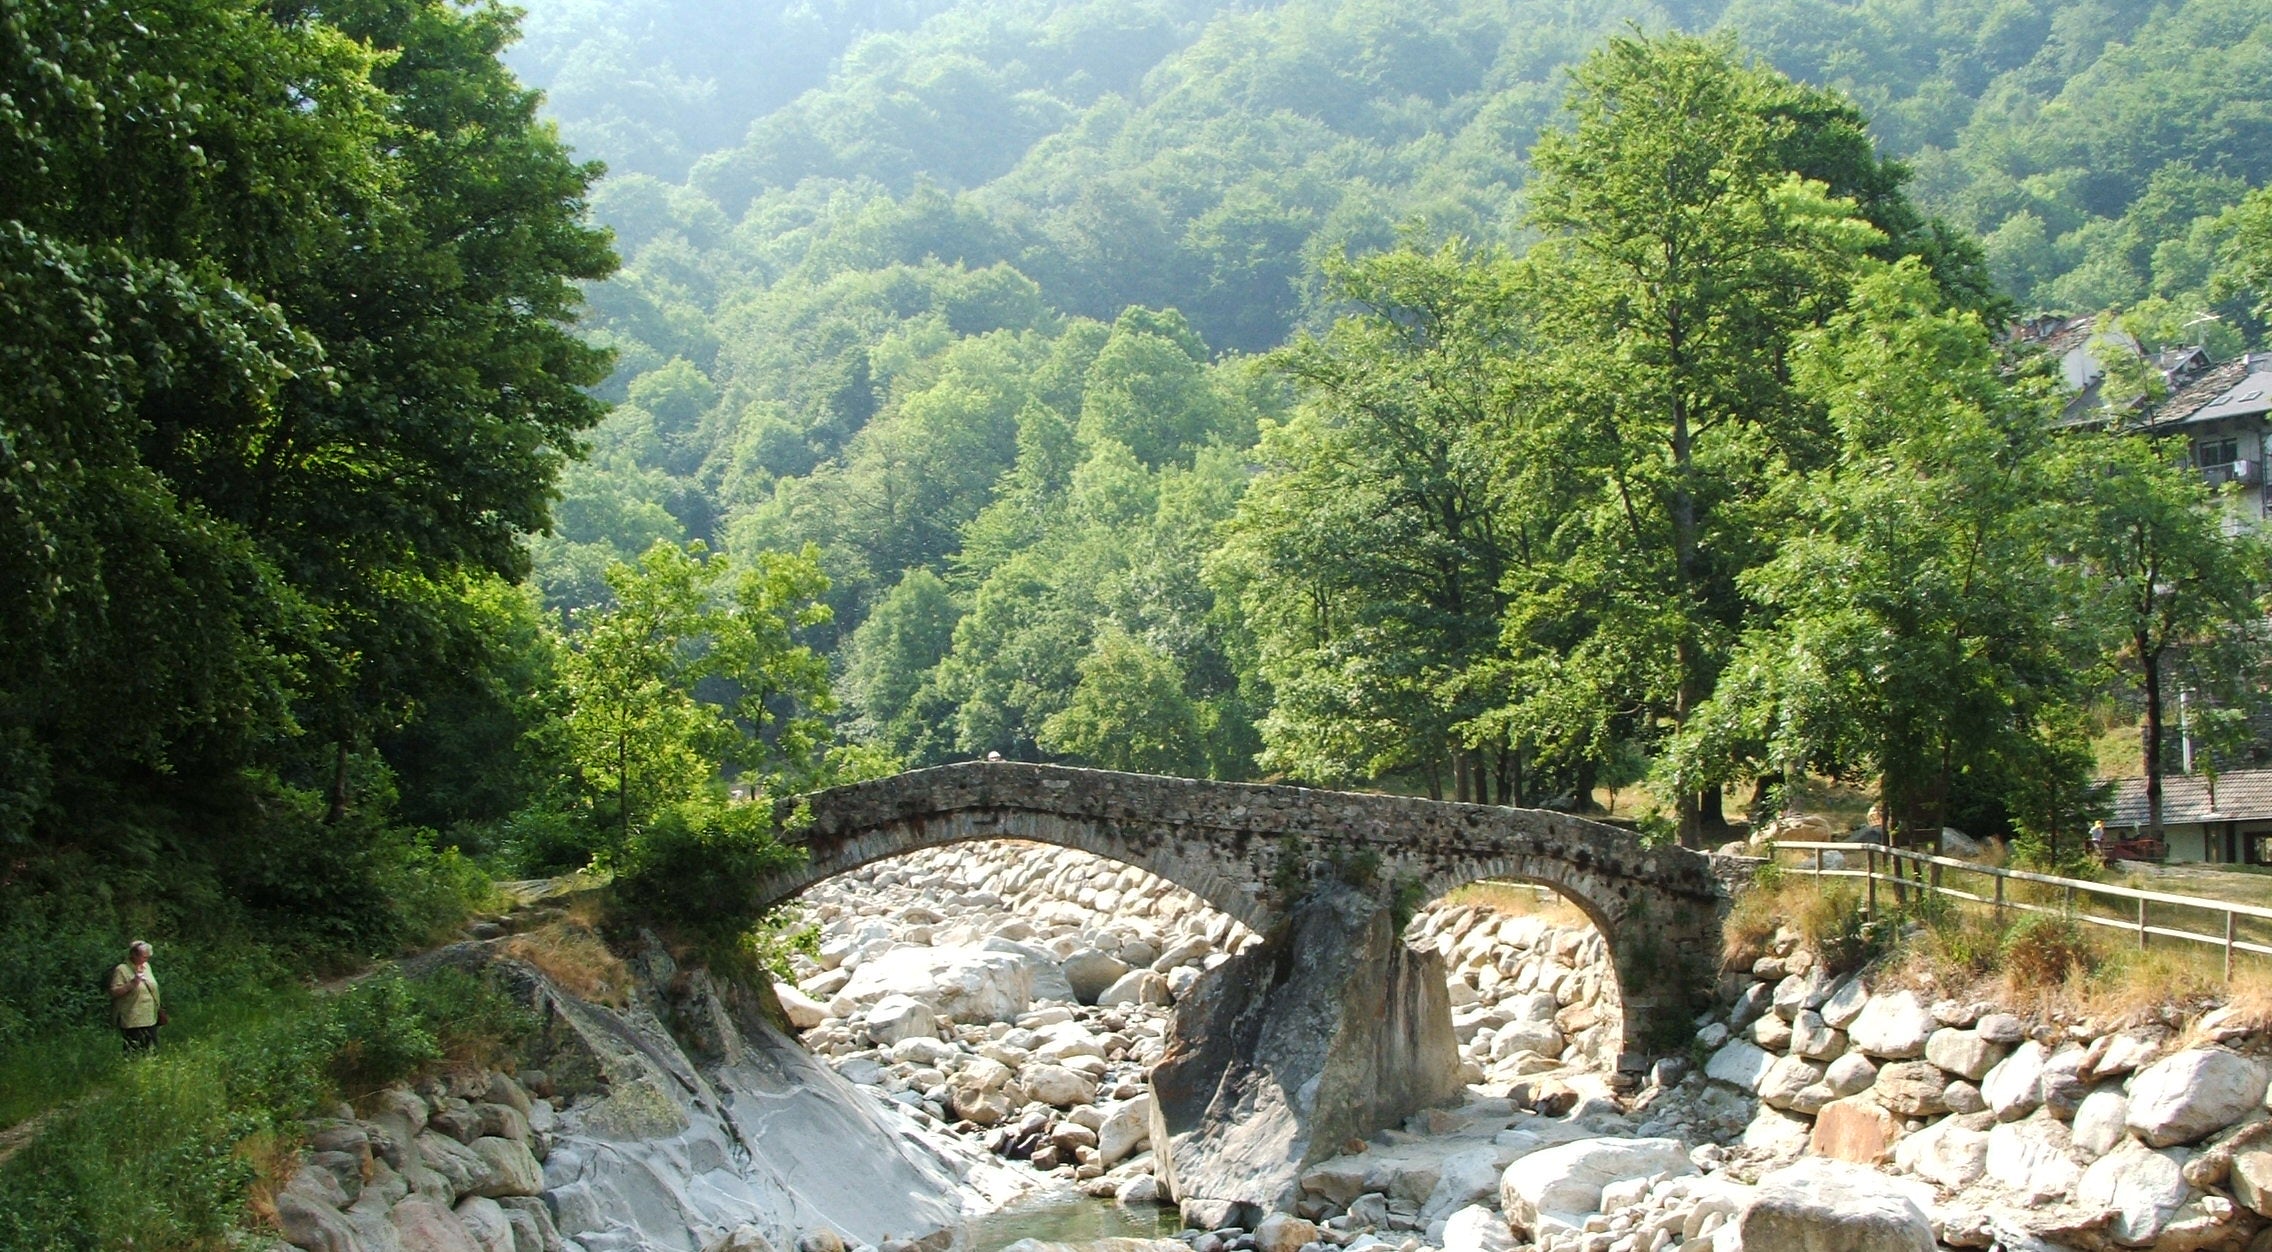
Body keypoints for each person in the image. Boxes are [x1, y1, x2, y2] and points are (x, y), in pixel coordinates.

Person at [109, 940, 162, 1053]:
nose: (146, 960)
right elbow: (114, 992)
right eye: (143, 957)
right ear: (134, 955)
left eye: (148, 957)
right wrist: (132, 984)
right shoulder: (121, 969)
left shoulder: (146, 966)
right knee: (133, 1049)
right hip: (132, 1019)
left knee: (151, 1049)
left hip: (150, 1016)